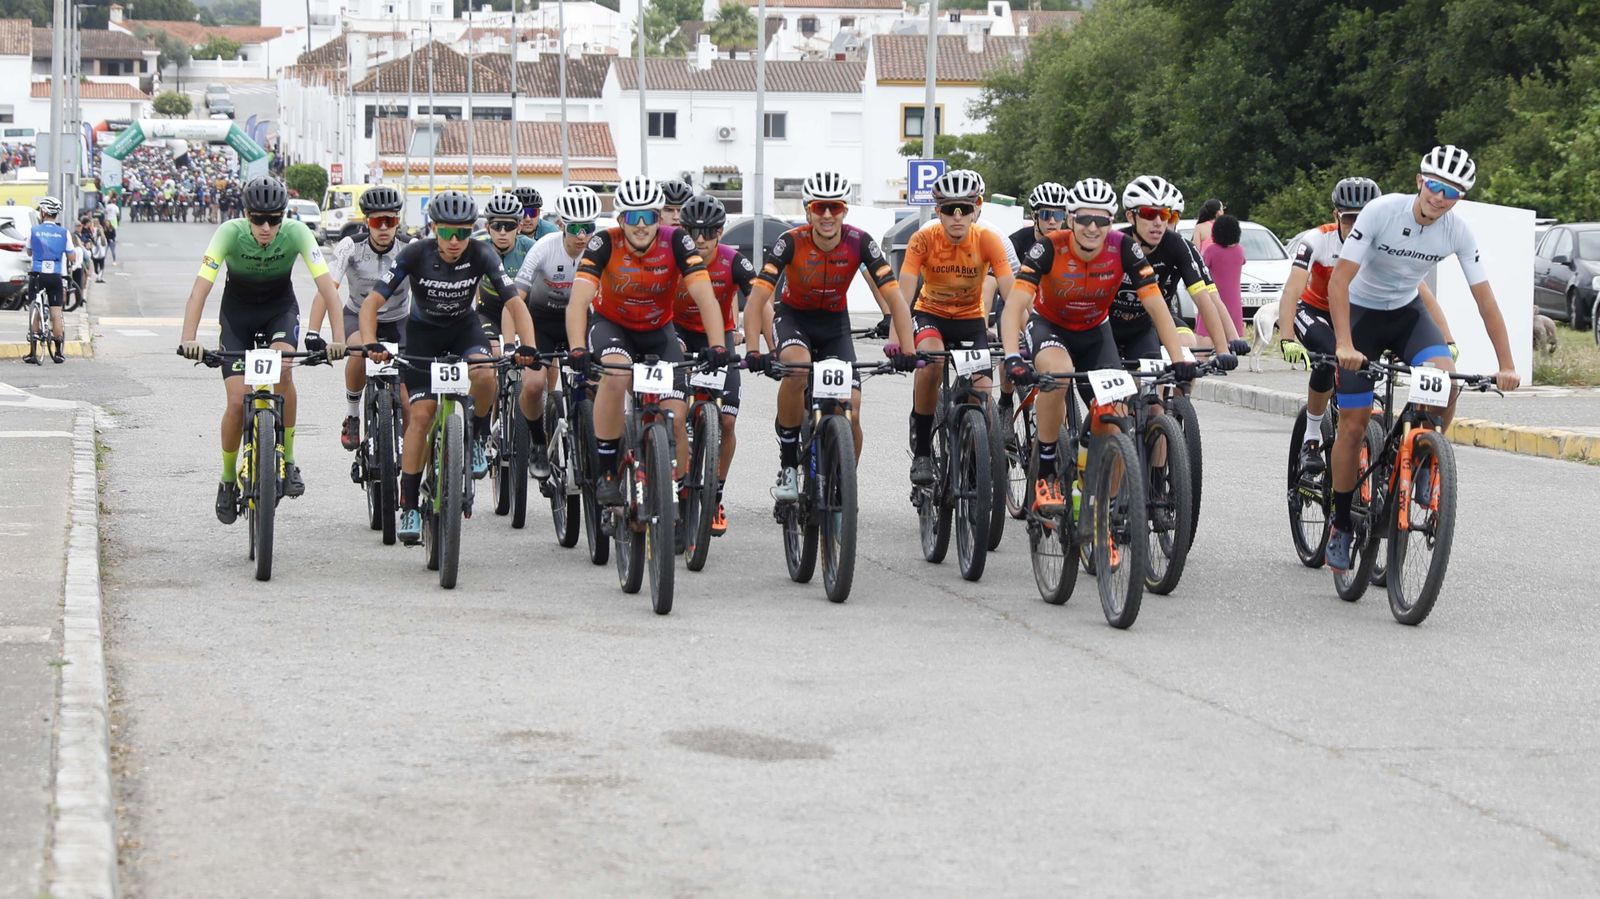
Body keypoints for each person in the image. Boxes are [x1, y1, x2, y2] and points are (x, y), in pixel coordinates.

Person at [1324, 145, 1520, 572]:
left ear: (1459, 198)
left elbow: (1486, 301)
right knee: (1354, 424)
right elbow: (1338, 282)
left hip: (1408, 315)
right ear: (1419, 182)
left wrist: (1507, 364)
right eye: (1433, 185)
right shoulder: (1381, 213)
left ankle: (1427, 456)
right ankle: (1340, 521)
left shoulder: (1457, 231)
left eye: (1451, 192)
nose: (1439, 197)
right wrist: (1343, 343)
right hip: (1360, 316)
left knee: (1447, 383)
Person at [999, 178, 1194, 512]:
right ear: (1070, 219)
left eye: (1101, 220)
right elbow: (1015, 305)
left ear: (1111, 221)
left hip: (1095, 331)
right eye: (1085, 220)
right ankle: (1046, 469)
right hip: (1051, 327)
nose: (1093, 228)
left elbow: (1156, 306)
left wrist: (1178, 360)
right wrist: (1013, 357)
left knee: (1117, 412)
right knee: (1059, 376)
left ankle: (1100, 510)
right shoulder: (1048, 247)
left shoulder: (1122, 247)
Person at [360, 190, 538, 544]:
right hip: (422, 336)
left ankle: (478, 436)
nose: (455, 241)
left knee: (486, 373)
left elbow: (515, 304)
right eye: (447, 233)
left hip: (463, 330)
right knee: (421, 416)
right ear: (434, 228)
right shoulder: (415, 253)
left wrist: (528, 345)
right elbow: (372, 303)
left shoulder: (483, 253)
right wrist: (370, 342)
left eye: (463, 233)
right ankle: (409, 503)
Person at [178, 177, 348, 522]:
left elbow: (328, 289)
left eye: (274, 219)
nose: (267, 227)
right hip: (237, 316)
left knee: (283, 368)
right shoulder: (228, 232)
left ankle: (287, 460)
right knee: (237, 402)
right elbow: (200, 289)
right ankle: (227, 479)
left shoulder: (297, 233)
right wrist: (189, 337)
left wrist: (339, 339)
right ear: (246, 215)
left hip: (278, 312)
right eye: (258, 219)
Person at [742, 170, 916, 502]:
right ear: (808, 210)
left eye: (833, 208)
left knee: (852, 406)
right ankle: (789, 465)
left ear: (844, 211)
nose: (826, 215)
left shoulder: (859, 241)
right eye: (819, 207)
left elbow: (894, 296)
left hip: (834, 324)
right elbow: (758, 299)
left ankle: (844, 482)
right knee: (796, 367)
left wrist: (905, 348)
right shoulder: (791, 241)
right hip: (794, 319)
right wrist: (753, 349)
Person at [565, 175, 729, 508]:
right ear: (621, 219)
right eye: (633, 217)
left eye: (650, 217)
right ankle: (608, 472)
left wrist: (718, 345)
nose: (642, 226)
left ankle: (678, 495)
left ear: (659, 218)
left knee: (675, 415)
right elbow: (579, 300)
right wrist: (577, 348)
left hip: (658, 332)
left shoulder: (677, 241)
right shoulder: (604, 243)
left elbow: (705, 296)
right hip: (613, 327)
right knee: (616, 375)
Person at [900, 169, 1014, 486]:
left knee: (980, 390)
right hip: (930, 316)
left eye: (966, 208)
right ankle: (923, 450)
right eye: (950, 209)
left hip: (970, 322)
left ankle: (977, 455)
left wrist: (1026, 333)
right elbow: (904, 291)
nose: (958, 217)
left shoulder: (989, 240)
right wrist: (898, 341)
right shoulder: (923, 239)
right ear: (939, 211)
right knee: (932, 363)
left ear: (978, 207)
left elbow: (1012, 293)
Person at [305, 185, 412, 452]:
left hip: (399, 320)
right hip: (356, 315)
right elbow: (327, 290)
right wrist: (313, 333)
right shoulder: (350, 246)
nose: (384, 228)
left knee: (407, 398)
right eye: (378, 221)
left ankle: (411, 452)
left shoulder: (409, 248)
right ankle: (353, 414)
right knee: (356, 354)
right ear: (367, 222)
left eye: (391, 221)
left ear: (398, 222)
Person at [674, 194, 755, 534]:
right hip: (677, 333)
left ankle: (715, 494)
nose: (701, 239)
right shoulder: (673, 258)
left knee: (726, 422)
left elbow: (760, 299)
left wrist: (763, 345)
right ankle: (675, 488)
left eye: (709, 232)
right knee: (674, 415)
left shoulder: (734, 260)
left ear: (721, 232)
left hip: (718, 337)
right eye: (693, 231)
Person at [513, 185, 602, 481]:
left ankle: (597, 441)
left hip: (582, 321)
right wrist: (515, 338)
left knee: (599, 383)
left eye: (588, 228)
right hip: (543, 321)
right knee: (535, 385)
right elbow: (517, 296)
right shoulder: (544, 247)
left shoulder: (600, 248)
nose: (582, 236)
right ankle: (538, 442)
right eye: (575, 227)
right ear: (562, 224)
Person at [1115, 175, 1244, 367]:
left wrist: (1224, 349)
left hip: (1149, 323)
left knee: (1183, 361)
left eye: (1167, 216)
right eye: (1150, 214)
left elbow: (1205, 299)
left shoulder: (1178, 245)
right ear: (1130, 216)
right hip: (1109, 323)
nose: (1160, 223)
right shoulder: (1116, 243)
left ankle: (1177, 396)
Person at [473, 191, 541, 470]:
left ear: (519, 226)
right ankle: (483, 427)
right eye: (496, 226)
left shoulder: (529, 247)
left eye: (509, 226)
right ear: (488, 227)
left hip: (520, 309)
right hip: (487, 311)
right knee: (494, 356)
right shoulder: (477, 246)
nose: (503, 232)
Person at [23, 197, 78, 364]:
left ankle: (33, 352)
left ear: (43, 212)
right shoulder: (64, 233)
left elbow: (29, 253)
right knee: (56, 313)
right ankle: (59, 352)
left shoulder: (34, 231)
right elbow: (72, 256)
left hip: (37, 275)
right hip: (55, 276)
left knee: (35, 310)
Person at [1200, 215, 1246, 345]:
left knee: (1207, 332)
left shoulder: (1211, 251)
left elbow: (1202, 267)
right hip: (1234, 300)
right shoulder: (1240, 250)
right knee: (1232, 335)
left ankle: (1203, 360)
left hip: (1214, 297)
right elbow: (1242, 262)